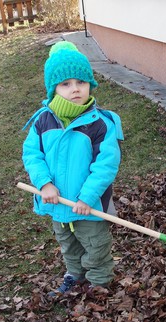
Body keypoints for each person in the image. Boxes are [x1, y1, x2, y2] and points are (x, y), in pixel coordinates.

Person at [22, 41, 123, 297]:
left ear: (91, 84)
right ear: (53, 88)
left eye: (81, 82)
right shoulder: (43, 121)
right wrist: (44, 183)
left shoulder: (100, 123)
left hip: (89, 204)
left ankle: (99, 285)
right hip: (57, 202)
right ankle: (74, 274)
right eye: (65, 84)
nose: (75, 89)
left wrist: (87, 197)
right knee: (68, 243)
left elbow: (106, 165)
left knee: (95, 244)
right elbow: (32, 155)